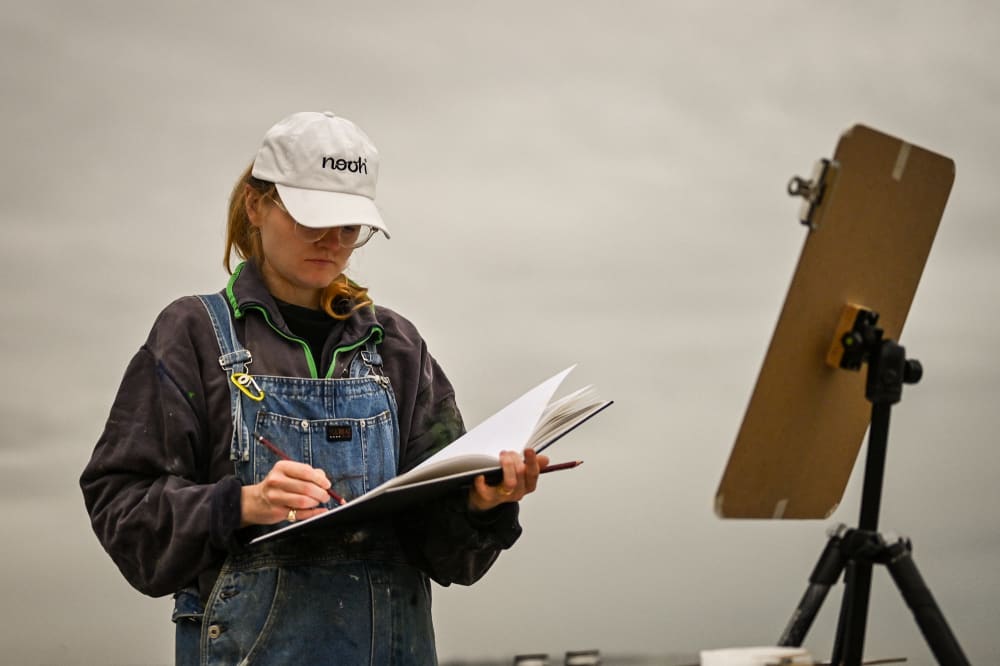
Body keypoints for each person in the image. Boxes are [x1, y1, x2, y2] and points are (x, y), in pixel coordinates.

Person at [80, 110, 550, 665]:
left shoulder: (397, 346)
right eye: (312, 220)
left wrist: (481, 503)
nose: (332, 241)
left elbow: (448, 556)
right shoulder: (193, 335)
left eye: (349, 227)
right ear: (256, 205)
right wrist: (242, 504)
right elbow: (122, 507)